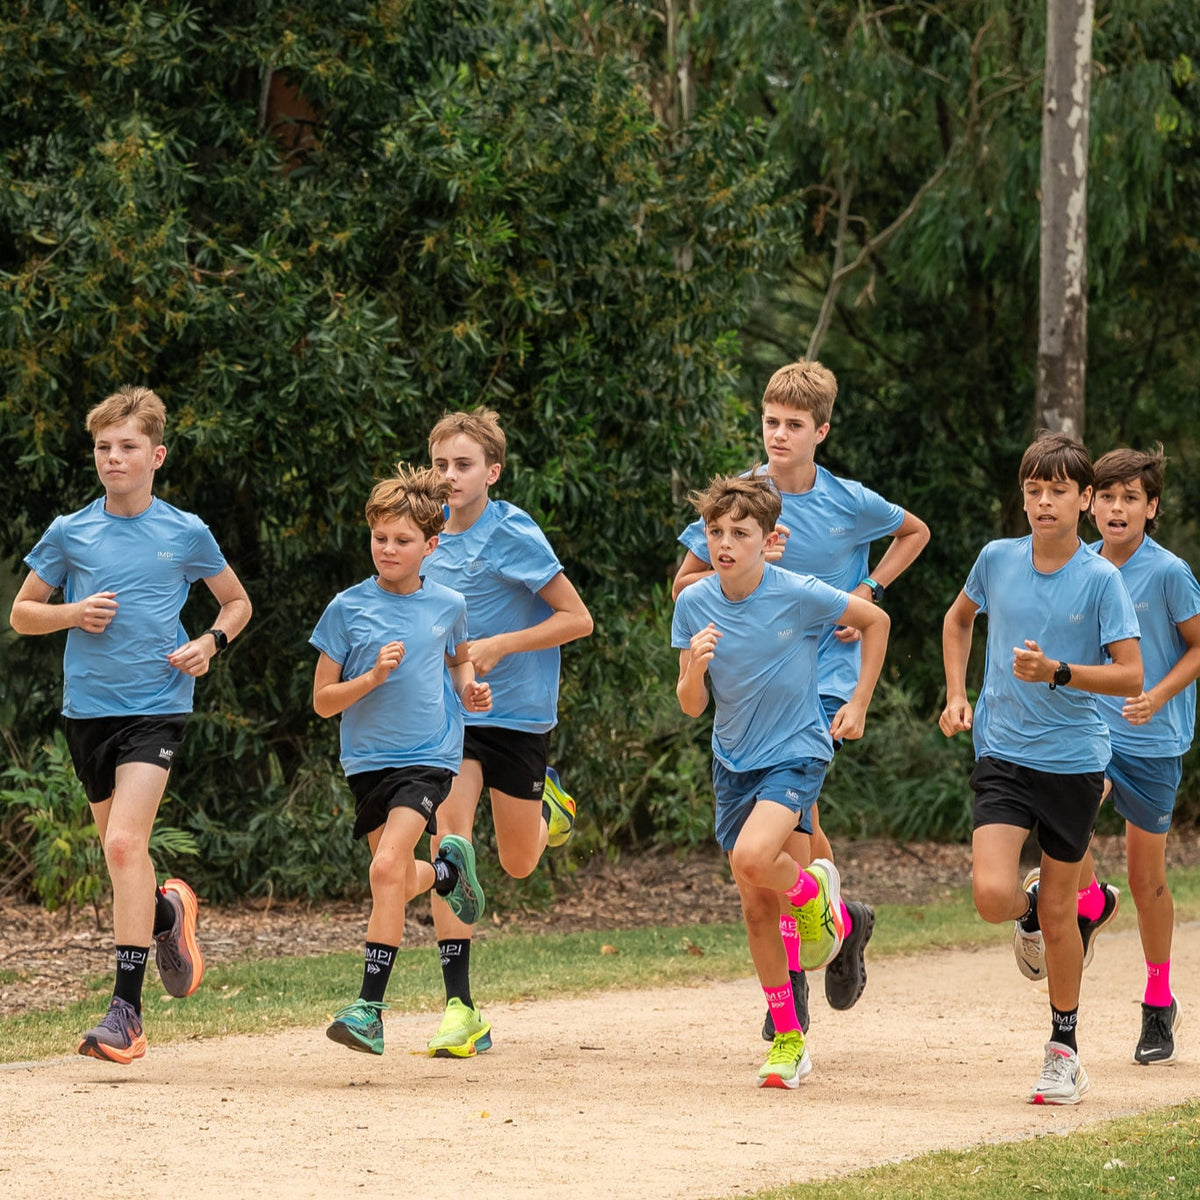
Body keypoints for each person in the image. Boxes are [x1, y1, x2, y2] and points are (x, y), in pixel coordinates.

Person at [672, 359, 929, 1037]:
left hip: (826, 677)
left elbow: (916, 531)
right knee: (794, 827)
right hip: (759, 674)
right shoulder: (744, 502)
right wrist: (757, 564)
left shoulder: (849, 500)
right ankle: (840, 927)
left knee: (786, 820)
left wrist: (870, 587)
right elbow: (685, 587)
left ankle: (795, 977)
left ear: (821, 428)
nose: (778, 436)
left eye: (793, 424)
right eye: (770, 422)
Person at [9, 384, 252, 1064]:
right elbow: (23, 612)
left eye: (128, 447)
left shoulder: (185, 531)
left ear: (157, 455)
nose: (113, 458)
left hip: (158, 704)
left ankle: (127, 1015)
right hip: (88, 712)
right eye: (103, 448)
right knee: (127, 863)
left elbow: (235, 602)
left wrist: (209, 644)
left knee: (122, 846)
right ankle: (169, 915)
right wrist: (70, 612)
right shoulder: (70, 531)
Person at [940, 431, 1143, 1105]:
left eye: (1059, 491)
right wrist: (956, 693)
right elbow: (958, 620)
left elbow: (1129, 674)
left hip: (1073, 764)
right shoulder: (997, 560)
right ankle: (1036, 914)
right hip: (1001, 751)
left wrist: (1059, 672)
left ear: (1085, 500)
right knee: (994, 897)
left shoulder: (1101, 579)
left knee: (1062, 912)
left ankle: (1064, 1050)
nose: (1044, 502)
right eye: (1034, 490)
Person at [672, 471, 890, 1088]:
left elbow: (876, 622)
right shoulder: (693, 603)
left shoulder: (798, 591)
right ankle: (789, 1037)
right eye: (716, 532)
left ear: (769, 539)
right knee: (753, 904)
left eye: (740, 532)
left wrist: (860, 702)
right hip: (732, 759)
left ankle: (814, 898)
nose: (725, 543)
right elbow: (691, 704)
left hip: (797, 751)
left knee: (751, 857)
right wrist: (697, 668)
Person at [1016, 446, 1199, 1065]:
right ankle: (1090, 899)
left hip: (1154, 738)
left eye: (1131, 499)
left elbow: (1197, 648)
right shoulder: (1079, 563)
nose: (1117, 509)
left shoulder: (1169, 573)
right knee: (1059, 821)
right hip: (1090, 732)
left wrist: (1158, 694)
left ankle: (1157, 1000)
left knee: (1148, 880)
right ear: (1091, 503)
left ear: (1153, 508)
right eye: (1109, 497)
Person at [421, 407, 594, 1058]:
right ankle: (459, 1007)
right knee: (450, 840)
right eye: (439, 464)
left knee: (520, 863)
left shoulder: (513, 533)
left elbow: (577, 619)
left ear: (491, 471)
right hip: (453, 714)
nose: (449, 477)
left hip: (519, 714)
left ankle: (551, 801)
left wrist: (499, 645)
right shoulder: (424, 532)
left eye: (463, 465)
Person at [311, 463, 494, 1056]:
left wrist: (469, 688)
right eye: (379, 538)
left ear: (430, 545)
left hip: (430, 754)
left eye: (402, 540)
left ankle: (369, 1009)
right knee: (393, 878)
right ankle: (446, 873)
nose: (388, 549)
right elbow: (321, 701)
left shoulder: (448, 604)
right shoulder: (344, 609)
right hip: (366, 761)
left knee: (386, 868)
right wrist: (371, 677)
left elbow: (458, 659)